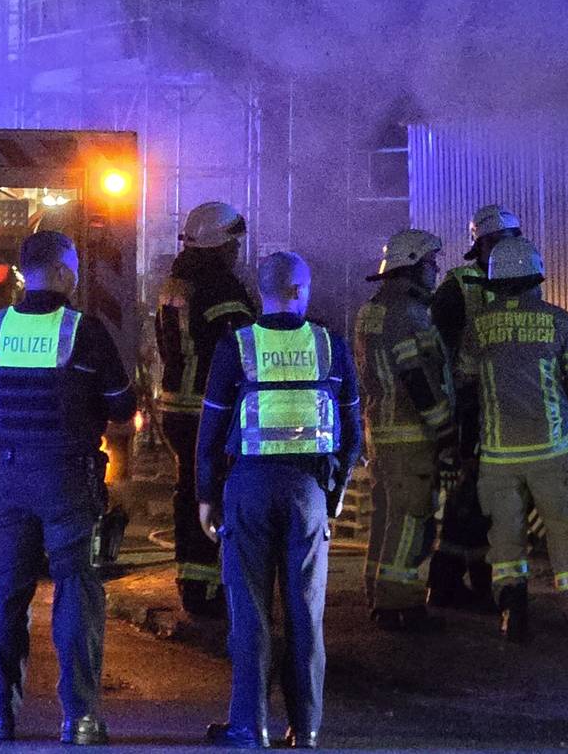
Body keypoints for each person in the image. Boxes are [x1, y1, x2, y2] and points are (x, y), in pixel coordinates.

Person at [0, 230, 136, 744]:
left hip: (7, 480)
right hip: (66, 479)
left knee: (8, 594)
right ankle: (79, 720)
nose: (76, 276)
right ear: (60, 272)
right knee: (75, 590)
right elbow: (122, 406)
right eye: (73, 266)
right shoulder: (86, 332)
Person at [196, 252, 363, 749]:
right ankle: (307, 727)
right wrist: (333, 495)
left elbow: (209, 432)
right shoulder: (330, 346)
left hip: (247, 487)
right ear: (304, 289)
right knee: (305, 612)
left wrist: (206, 497)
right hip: (308, 492)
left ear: (261, 290)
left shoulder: (237, 346)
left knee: (249, 610)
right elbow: (352, 434)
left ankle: (249, 727)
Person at [467, 235, 568, 644]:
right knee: (565, 530)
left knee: (506, 537)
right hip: (552, 450)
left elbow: (463, 381)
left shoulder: (477, 327)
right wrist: (562, 401)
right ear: (536, 278)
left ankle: (512, 615)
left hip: (497, 455)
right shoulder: (558, 320)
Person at [155, 201, 256, 616]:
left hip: (176, 406)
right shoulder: (222, 289)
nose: (237, 252)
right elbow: (242, 350)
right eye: (233, 244)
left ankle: (193, 581)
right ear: (219, 245)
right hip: (208, 410)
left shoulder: (176, 283)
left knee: (189, 491)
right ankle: (213, 589)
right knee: (217, 493)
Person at [354, 229, 454, 632]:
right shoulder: (408, 315)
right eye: (431, 263)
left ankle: (376, 589)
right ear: (412, 263)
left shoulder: (372, 310)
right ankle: (399, 604)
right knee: (412, 518)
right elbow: (417, 377)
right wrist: (443, 426)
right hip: (410, 434)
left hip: (379, 431)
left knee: (387, 517)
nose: (434, 271)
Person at [428, 204, 522, 610]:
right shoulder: (457, 287)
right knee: (469, 494)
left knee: (490, 499)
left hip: (502, 405)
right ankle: (450, 582)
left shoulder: (517, 277)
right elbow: (441, 353)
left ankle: (473, 583)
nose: (512, 247)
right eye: (506, 240)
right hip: (470, 406)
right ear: (484, 243)